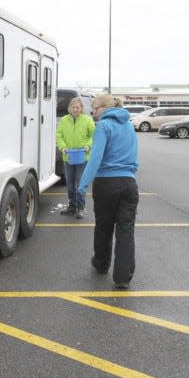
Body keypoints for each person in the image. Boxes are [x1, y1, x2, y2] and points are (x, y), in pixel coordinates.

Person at [77, 94, 139, 289]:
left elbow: (95, 158)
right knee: (126, 230)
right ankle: (123, 277)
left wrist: (82, 185)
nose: (93, 113)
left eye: (95, 109)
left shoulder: (103, 126)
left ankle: (102, 264)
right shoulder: (129, 125)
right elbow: (134, 155)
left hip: (107, 183)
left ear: (104, 108)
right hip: (129, 184)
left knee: (104, 228)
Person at [56, 97, 95, 218]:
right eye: (73, 107)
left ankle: (81, 208)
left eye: (78, 107)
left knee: (80, 183)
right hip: (68, 157)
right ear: (69, 108)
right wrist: (63, 147)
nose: (75, 109)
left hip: (82, 157)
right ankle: (72, 206)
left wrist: (88, 145)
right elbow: (59, 135)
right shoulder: (64, 120)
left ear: (81, 108)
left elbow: (93, 136)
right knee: (70, 183)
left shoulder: (87, 120)